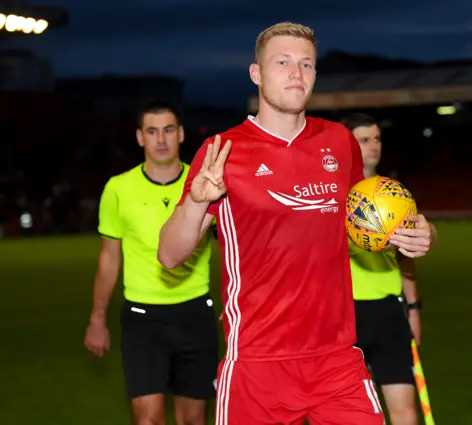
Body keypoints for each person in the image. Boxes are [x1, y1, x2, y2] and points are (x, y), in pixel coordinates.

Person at [157, 22, 435, 425]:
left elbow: (371, 226)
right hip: (258, 362)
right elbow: (169, 255)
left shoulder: (339, 142)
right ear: (256, 74)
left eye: (306, 64)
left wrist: (418, 235)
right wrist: (197, 203)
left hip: (337, 360)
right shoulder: (223, 152)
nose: (296, 73)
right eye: (283, 62)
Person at [84, 101, 219, 425]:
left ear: (181, 134)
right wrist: (97, 318)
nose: (161, 139)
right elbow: (109, 257)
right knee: (148, 420)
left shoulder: (207, 186)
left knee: (193, 420)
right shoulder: (118, 189)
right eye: (152, 131)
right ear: (140, 137)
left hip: (195, 313)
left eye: (169, 130)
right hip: (142, 319)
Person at [342, 112, 430, 425]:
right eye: (364, 139)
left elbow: (407, 257)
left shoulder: (395, 195)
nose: (373, 146)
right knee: (353, 414)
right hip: (344, 314)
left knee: (405, 409)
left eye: (377, 138)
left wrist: (414, 308)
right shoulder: (332, 194)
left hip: (390, 310)